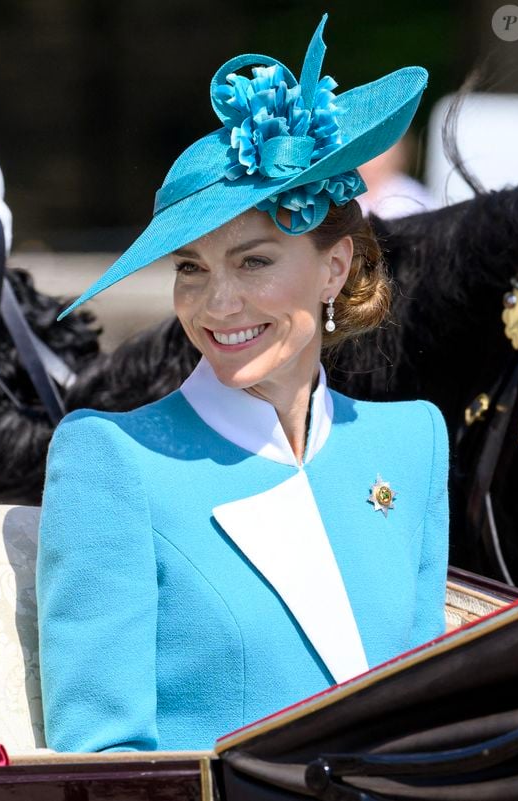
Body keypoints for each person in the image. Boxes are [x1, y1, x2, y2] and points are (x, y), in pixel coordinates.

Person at [36, 15, 450, 753]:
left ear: (335, 267)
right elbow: (103, 766)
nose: (215, 303)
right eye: (190, 268)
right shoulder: (112, 461)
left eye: (253, 261)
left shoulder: (411, 441)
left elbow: (427, 736)